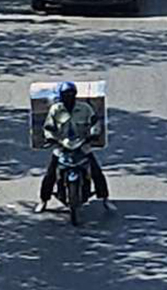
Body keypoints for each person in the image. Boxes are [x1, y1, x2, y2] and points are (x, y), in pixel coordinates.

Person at [35, 81, 113, 214]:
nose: (69, 97)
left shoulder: (85, 108)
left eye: (71, 94)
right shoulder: (56, 109)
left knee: (96, 171)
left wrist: (93, 134)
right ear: (61, 96)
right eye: (66, 94)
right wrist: (50, 137)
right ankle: (43, 200)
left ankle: (105, 198)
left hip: (82, 144)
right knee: (50, 173)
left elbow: (95, 123)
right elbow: (48, 127)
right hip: (62, 145)